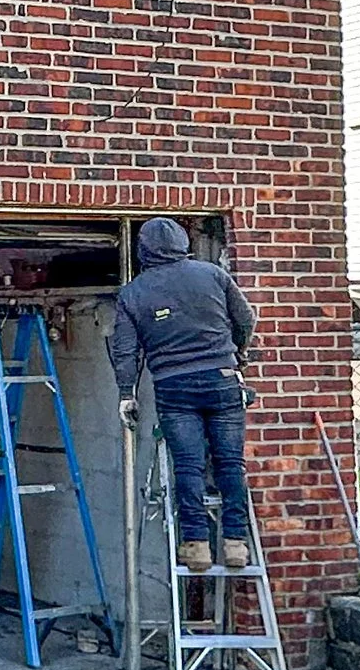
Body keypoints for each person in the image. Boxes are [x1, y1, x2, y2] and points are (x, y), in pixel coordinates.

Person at [108, 218, 257, 571]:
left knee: (187, 465)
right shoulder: (213, 275)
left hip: (174, 387)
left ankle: (196, 545)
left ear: (143, 250)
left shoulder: (133, 293)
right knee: (230, 464)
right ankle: (236, 543)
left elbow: (125, 351)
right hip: (223, 379)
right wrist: (239, 351)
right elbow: (246, 319)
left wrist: (126, 393)